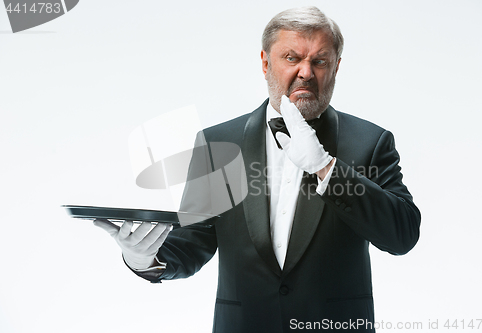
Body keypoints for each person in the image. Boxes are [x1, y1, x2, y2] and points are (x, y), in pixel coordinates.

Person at [94, 6, 420, 332]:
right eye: (292, 58)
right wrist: (146, 260)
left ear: (336, 67)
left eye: (320, 61)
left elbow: (402, 235)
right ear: (265, 63)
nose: (306, 71)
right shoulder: (218, 144)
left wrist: (325, 167)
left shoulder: (370, 142)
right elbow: (194, 242)